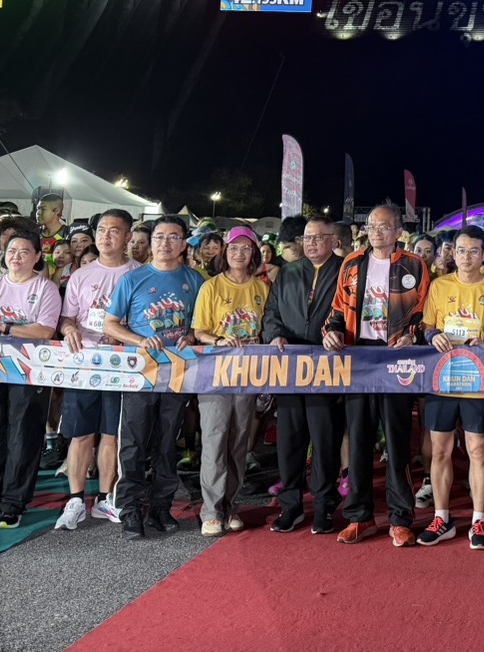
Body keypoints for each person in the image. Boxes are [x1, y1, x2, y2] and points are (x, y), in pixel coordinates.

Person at [323, 203, 430, 546]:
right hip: (360, 357)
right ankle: (360, 517)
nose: (377, 233)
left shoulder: (414, 265)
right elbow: (338, 309)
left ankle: (401, 518)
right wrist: (332, 332)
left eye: (385, 227)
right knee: (358, 441)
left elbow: (423, 311)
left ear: (399, 231)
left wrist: (411, 334)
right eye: (371, 227)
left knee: (397, 442)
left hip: (396, 359)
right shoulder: (352, 264)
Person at [104, 216, 201, 539]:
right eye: (160, 237)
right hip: (140, 375)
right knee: (133, 443)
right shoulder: (133, 279)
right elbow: (111, 324)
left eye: (173, 237)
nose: (165, 243)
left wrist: (192, 336)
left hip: (177, 374)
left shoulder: (195, 280)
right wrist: (139, 340)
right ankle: (130, 509)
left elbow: (200, 325)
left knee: (167, 442)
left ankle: (161, 506)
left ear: (183, 244)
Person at [0, 231, 61, 529]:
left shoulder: (45, 288)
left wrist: (6, 328)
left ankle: (13, 504)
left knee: (23, 437)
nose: (16, 257)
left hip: (29, 372)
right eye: (11, 251)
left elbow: (45, 331)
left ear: (37, 256)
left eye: (24, 251)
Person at [418, 226, 484, 550]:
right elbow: (427, 326)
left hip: (478, 381)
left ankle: (478, 520)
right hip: (442, 378)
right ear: (452, 253)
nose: (466, 257)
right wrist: (433, 336)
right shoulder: (439, 286)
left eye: (473, 251)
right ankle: (441, 518)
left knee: (478, 451)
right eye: (460, 250)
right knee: (439, 450)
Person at [52, 210, 135, 531]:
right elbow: (67, 317)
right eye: (101, 230)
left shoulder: (138, 274)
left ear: (128, 237)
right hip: (84, 363)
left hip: (122, 365)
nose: (106, 236)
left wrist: (124, 333)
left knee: (112, 433)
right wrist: (69, 328)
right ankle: (75, 500)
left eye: (114, 231)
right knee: (81, 432)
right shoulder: (81, 275)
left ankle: (104, 498)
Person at [263, 216, 346, 535]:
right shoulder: (288, 272)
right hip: (291, 366)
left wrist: (338, 333)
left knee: (325, 440)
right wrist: (275, 335)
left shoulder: (345, 271)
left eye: (318, 237)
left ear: (333, 241)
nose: (310, 243)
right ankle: (291, 505)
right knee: (290, 439)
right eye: (306, 238)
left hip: (328, 366)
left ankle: (324, 506)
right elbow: (272, 312)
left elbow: (350, 312)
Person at [192, 227, 269, 536]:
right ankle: (211, 510)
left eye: (246, 248)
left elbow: (267, 329)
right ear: (225, 252)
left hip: (248, 373)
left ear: (254, 254)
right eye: (234, 248)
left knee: (239, 442)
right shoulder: (211, 287)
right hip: (216, 373)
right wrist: (219, 340)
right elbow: (199, 332)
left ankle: (231, 505)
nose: (239, 253)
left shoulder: (262, 288)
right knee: (214, 440)